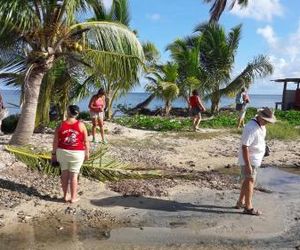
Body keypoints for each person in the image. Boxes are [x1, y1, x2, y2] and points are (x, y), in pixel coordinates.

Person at [235, 107, 276, 215]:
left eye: (268, 121)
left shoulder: (260, 125)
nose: (267, 123)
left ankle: (240, 202)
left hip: (255, 159)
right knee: (250, 181)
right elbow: (245, 147)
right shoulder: (251, 127)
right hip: (249, 159)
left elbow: (259, 140)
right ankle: (248, 207)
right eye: (266, 120)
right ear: (260, 117)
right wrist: (248, 165)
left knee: (247, 180)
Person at [52, 105, 89, 203]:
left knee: (64, 173)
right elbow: (86, 141)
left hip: (62, 152)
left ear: (68, 112)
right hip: (77, 153)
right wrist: (87, 153)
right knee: (74, 175)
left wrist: (53, 154)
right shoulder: (81, 125)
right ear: (77, 113)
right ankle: (73, 197)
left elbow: (55, 141)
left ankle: (65, 196)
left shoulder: (60, 125)